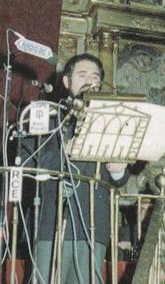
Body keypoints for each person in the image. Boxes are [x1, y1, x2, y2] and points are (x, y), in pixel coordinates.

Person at [22, 53, 129, 284]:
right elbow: (28, 161)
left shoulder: (110, 121)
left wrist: (119, 169)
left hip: (93, 225)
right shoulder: (47, 114)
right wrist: (64, 154)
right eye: (82, 74)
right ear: (67, 82)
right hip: (51, 222)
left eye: (95, 76)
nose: (90, 80)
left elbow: (118, 179)